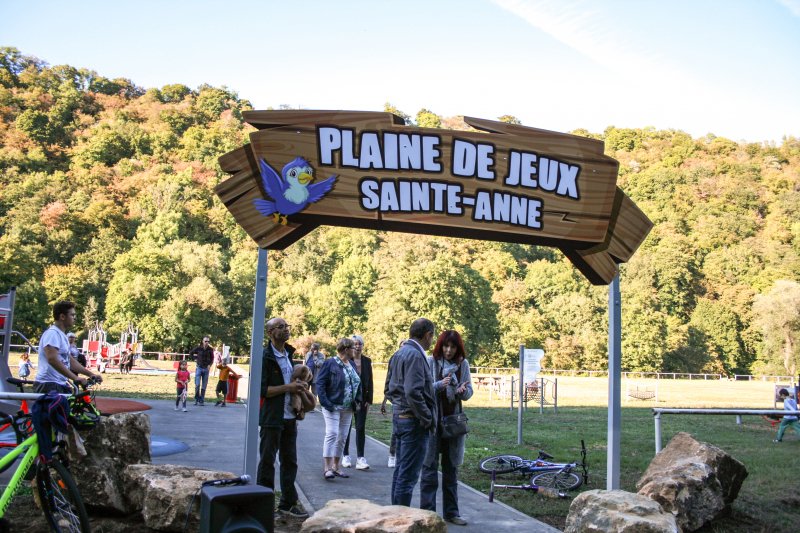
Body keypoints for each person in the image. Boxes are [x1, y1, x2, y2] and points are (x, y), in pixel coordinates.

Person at [257, 317, 310, 518]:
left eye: (287, 326)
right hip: (272, 417)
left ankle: (288, 503)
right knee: (267, 461)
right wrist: (289, 387)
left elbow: (293, 381)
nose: (286, 329)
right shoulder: (265, 357)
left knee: (290, 461)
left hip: (290, 417)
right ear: (270, 332)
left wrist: (300, 390)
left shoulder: (288, 353)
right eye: (281, 327)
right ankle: (264, 503)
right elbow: (263, 390)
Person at [420, 330, 473, 526]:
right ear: (440, 346)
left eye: (452, 347)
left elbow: (468, 392)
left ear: (458, 348)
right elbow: (424, 389)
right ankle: (427, 514)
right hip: (433, 424)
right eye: (445, 346)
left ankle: (452, 512)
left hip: (453, 426)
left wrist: (461, 391)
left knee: (451, 470)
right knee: (429, 469)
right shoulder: (431, 362)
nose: (448, 350)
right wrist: (439, 385)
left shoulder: (463, 364)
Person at [384, 318, 437, 506]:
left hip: (400, 418)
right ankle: (400, 520)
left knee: (400, 472)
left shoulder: (398, 353)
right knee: (407, 477)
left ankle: (394, 517)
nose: (432, 341)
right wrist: (427, 417)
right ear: (428, 335)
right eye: (432, 336)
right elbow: (413, 391)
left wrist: (399, 406)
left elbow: (388, 389)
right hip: (413, 422)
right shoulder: (415, 355)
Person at [33, 301, 103, 393]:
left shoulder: (62, 335)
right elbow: (52, 359)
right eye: (72, 315)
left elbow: (70, 361)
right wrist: (75, 377)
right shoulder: (53, 334)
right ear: (62, 317)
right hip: (49, 384)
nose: (75, 318)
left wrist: (90, 374)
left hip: (59, 383)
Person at [316, 337, 360, 480]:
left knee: (342, 437)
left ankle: (336, 466)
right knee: (332, 433)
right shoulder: (330, 363)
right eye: (353, 347)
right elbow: (320, 383)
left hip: (348, 407)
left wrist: (358, 399)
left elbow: (357, 382)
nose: (356, 350)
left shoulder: (351, 364)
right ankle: (327, 468)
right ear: (346, 349)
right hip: (332, 406)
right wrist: (325, 402)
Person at [342, 334, 373, 470]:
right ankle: (345, 455)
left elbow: (370, 381)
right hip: (349, 399)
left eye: (359, 343)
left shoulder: (367, 361)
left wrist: (369, 400)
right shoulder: (347, 360)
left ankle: (360, 457)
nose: (357, 346)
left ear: (362, 345)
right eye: (355, 343)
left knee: (360, 428)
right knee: (347, 427)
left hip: (363, 400)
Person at [189, 336, 214, 405]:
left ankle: (202, 400)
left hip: (206, 369)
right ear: (203, 341)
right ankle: (197, 399)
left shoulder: (210, 349)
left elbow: (212, 358)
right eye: (205, 341)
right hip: (199, 368)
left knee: (204, 385)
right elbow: (191, 353)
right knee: (197, 384)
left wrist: (210, 365)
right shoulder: (198, 348)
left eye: (208, 341)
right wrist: (195, 359)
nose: (207, 343)